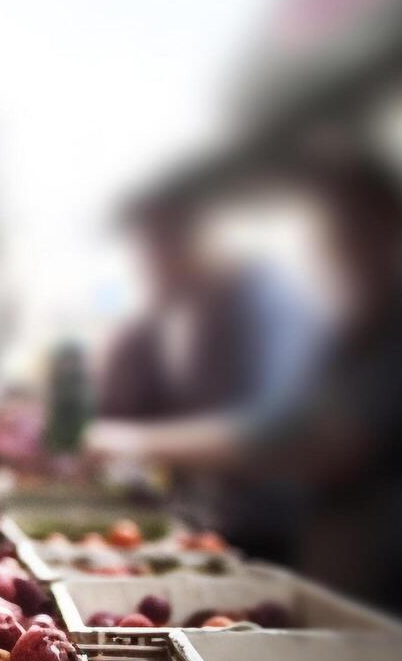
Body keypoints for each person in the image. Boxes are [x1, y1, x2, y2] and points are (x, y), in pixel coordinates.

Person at [89, 151, 402, 621]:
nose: (335, 240)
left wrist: (135, 442)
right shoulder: (373, 314)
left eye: (349, 224)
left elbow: (316, 440)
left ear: (392, 223)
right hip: (385, 561)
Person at [96, 193, 319, 559]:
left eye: (158, 251)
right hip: (206, 528)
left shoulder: (267, 300)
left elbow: (271, 429)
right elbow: (138, 409)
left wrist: (131, 440)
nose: (151, 268)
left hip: (270, 537)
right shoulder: (183, 314)